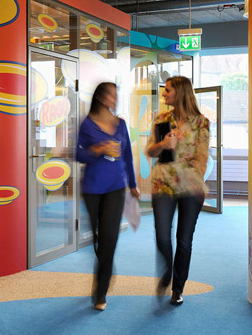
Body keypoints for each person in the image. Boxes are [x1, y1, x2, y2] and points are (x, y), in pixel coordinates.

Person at [145, 76, 210, 305]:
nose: (164, 94)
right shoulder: (162, 119)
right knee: (162, 236)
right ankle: (166, 273)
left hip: (190, 187)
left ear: (180, 93)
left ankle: (177, 288)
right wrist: (162, 145)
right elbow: (150, 152)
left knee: (184, 241)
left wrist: (190, 179)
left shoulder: (201, 122)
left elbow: (202, 158)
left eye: (168, 90)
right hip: (163, 184)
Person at [76, 82, 139, 311]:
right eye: (112, 95)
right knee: (99, 240)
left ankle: (100, 291)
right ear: (102, 98)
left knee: (109, 239)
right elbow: (79, 155)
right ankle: (107, 267)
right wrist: (99, 149)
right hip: (92, 189)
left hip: (116, 188)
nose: (116, 98)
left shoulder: (121, 124)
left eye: (116, 94)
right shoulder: (87, 124)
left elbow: (127, 156)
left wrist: (133, 184)